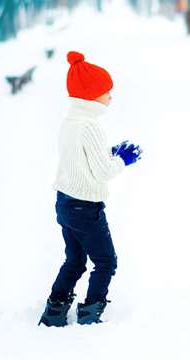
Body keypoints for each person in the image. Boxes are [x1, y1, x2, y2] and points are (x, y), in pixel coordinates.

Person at [39, 51, 142, 326]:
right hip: (86, 207)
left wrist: (109, 152)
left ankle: (54, 311)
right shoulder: (91, 126)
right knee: (106, 261)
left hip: (65, 202)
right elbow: (103, 172)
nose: (110, 97)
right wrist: (123, 160)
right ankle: (89, 315)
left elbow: (82, 159)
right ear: (91, 94)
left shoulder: (70, 121)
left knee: (74, 260)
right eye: (106, 91)